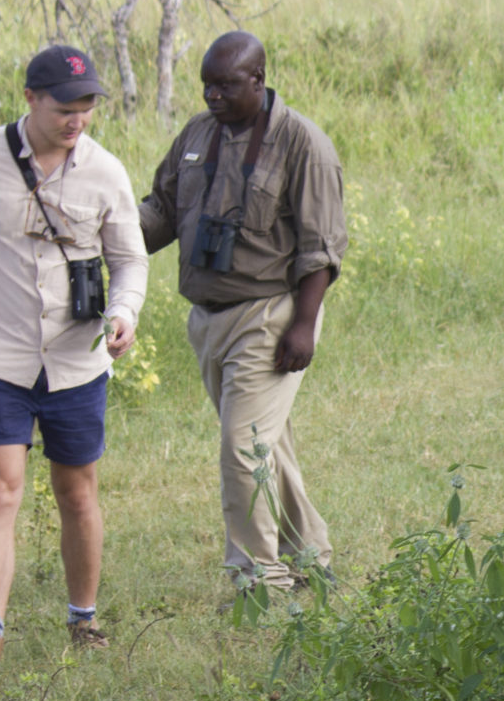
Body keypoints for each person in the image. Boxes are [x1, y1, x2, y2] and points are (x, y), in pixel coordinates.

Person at [0, 44, 149, 668]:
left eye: (87, 106)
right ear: (30, 98)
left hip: (77, 362)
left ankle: (84, 619)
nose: (76, 118)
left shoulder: (106, 171)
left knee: (77, 490)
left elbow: (130, 260)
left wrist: (124, 314)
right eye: (64, 107)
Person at [138, 30, 347, 595]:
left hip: (269, 314)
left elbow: (321, 249)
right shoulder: (198, 135)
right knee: (265, 444)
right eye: (206, 85)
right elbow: (159, 209)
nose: (213, 97)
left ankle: (261, 581)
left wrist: (304, 325)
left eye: (226, 86)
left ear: (259, 79)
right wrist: (104, 240)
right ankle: (311, 555)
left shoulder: (303, 143)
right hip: (209, 319)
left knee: (242, 447)